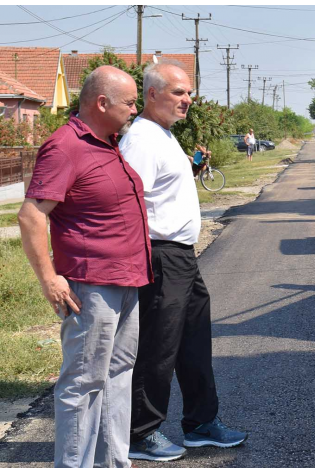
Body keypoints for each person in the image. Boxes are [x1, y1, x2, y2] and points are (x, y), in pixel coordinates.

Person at [18, 66, 148, 468]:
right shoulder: (65, 146)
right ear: (102, 102)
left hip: (126, 281)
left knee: (116, 377)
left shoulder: (107, 142)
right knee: (83, 383)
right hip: (91, 286)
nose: (135, 108)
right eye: (129, 101)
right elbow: (31, 215)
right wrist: (49, 279)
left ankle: (112, 464)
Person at [121, 61, 247, 463]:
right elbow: (129, 205)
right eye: (178, 92)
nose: (188, 100)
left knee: (193, 343)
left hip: (182, 257)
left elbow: (162, 192)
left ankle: (200, 424)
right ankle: (140, 434)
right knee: (158, 346)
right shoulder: (141, 139)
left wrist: (192, 169)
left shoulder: (163, 135)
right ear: (152, 94)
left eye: (189, 93)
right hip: (159, 256)